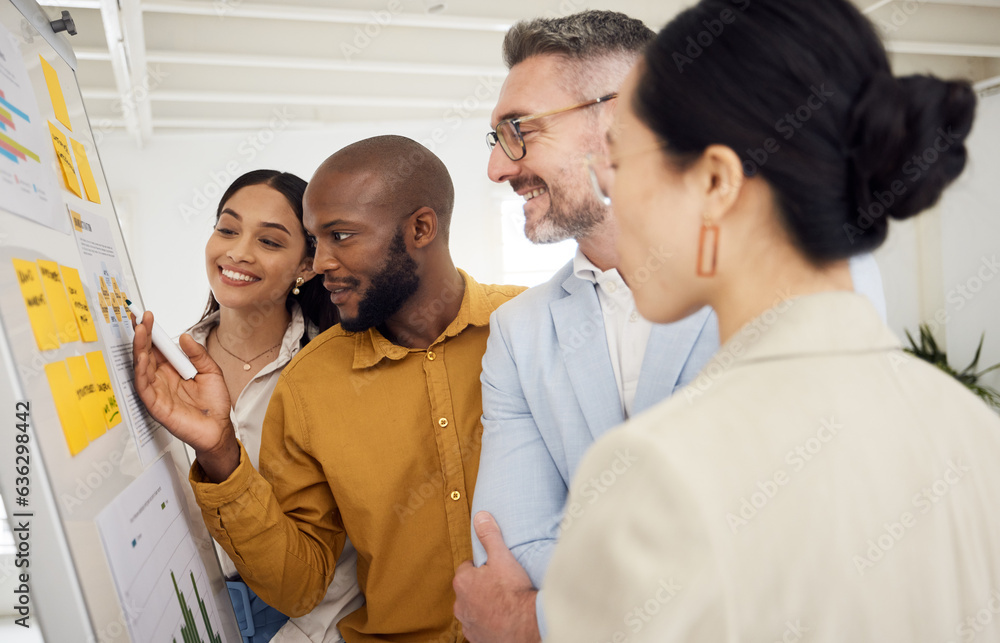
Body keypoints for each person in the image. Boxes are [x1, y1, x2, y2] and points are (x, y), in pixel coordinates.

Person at [543, 0, 1000, 640]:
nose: (608, 193)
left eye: (619, 161)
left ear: (715, 182)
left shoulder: (655, 476)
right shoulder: (977, 434)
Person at [453, 10, 887, 642]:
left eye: (518, 131)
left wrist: (540, 621)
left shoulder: (794, 272)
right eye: (495, 139)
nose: (497, 169)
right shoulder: (520, 330)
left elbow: (788, 542)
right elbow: (509, 547)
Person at [132, 135, 524, 643]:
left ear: (421, 228)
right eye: (315, 241)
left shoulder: (528, 326)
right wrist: (220, 452)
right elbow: (299, 586)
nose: (320, 264)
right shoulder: (311, 381)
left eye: (340, 236)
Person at [184, 169, 362, 642]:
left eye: (269, 241)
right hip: (198, 614)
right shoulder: (168, 368)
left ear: (306, 266)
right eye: (227, 229)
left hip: (310, 621)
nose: (238, 252)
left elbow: (347, 539)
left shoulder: (337, 373)